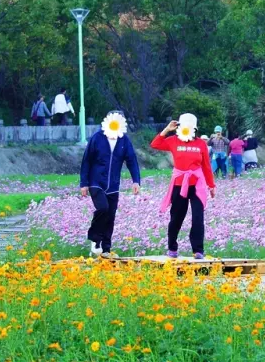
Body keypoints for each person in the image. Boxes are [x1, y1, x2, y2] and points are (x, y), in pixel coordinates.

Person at [151, 114, 216, 259]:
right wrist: (167, 129)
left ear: (194, 129)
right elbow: (155, 144)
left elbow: (206, 166)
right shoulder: (173, 141)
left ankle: (198, 250)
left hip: (197, 184)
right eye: (184, 126)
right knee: (177, 217)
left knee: (198, 217)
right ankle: (172, 247)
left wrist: (211, 185)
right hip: (179, 184)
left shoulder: (201, 144)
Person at [80, 111, 141, 258]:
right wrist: (84, 183)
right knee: (103, 208)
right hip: (96, 181)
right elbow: (86, 160)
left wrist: (136, 181)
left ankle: (106, 249)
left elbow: (132, 161)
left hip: (113, 184)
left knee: (110, 216)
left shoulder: (124, 140)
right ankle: (95, 239)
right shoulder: (97, 138)